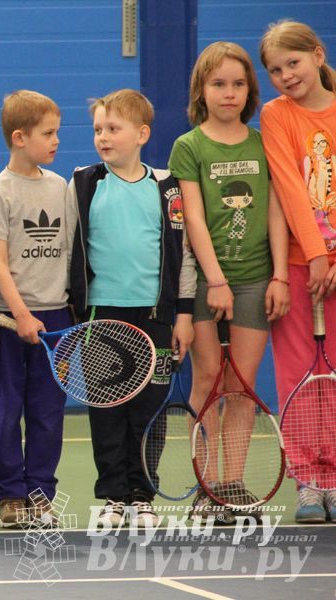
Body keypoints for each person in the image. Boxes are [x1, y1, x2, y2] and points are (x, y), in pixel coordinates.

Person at [169, 42, 290, 524]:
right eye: (219, 83)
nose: (229, 93)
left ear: (249, 90)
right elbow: (194, 219)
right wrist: (214, 280)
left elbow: (278, 212)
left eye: (238, 84)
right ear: (202, 88)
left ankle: (232, 483)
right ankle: (206, 485)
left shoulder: (263, 143)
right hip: (206, 284)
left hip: (256, 281)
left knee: (240, 388)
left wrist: (279, 275)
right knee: (207, 379)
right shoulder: (189, 146)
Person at [68, 89, 195, 528]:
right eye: (98, 129)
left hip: (156, 319)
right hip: (103, 316)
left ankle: (143, 493)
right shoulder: (84, 181)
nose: (103, 137)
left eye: (113, 129)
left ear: (141, 133)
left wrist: (183, 312)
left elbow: (184, 255)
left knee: (149, 410)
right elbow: (71, 248)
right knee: (107, 409)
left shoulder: (167, 187)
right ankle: (113, 496)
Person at [0, 90, 75, 527]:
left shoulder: (61, 187)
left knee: (47, 413)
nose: (57, 141)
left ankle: (40, 494)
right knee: (6, 409)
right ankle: (10, 496)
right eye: (49, 133)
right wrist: (20, 314)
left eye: (57, 132)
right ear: (19, 137)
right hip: (10, 320)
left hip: (56, 319)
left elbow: (74, 254)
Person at [260, 20, 336, 523]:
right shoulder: (275, 115)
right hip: (298, 266)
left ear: (317, 53)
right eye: (275, 70)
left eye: (294, 62)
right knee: (298, 378)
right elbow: (289, 187)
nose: (287, 76)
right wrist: (314, 256)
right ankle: (309, 481)